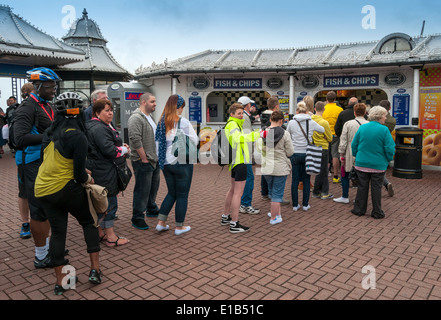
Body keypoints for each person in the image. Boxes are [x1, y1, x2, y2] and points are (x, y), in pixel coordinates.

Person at [34, 92, 102, 295]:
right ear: (81, 112)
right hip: (65, 187)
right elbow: (79, 175)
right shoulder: (78, 135)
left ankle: (62, 281)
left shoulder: (49, 132)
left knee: (58, 232)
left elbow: (48, 161)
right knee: (89, 222)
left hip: (43, 188)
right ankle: (95, 270)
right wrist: (89, 178)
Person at [14, 67, 61, 268]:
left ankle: (48, 247)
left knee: (48, 206)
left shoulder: (47, 106)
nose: (54, 90)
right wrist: (51, 136)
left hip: (45, 162)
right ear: (38, 86)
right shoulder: (27, 107)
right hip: (31, 163)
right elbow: (19, 138)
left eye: (55, 86)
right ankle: (40, 256)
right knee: (39, 209)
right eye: (50, 86)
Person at [86, 99, 130, 247]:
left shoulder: (96, 125)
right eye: (106, 110)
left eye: (111, 110)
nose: (110, 113)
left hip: (98, 169)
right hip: (104, 171)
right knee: (109, 202)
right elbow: (108, 150)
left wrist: (118, 146)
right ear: (97, 112)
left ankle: (100, 232)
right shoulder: (99, 128)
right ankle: (111, 236)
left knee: (99, 202)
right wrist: (123, 150)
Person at [155, 95, 198, 235]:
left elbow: (157, 145)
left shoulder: (161, 122)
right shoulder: (183, 122)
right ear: (177, 106)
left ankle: (161, 222)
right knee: (182, 195)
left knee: (172, 193)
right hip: (181, 163)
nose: (182, 110)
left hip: (166, 163)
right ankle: (179, 227)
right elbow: (195, 140)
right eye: (181, 107)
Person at [351, 106, 396, 219]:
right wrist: (388, 159)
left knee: (362, 187)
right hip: (378, 164)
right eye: (384, 115)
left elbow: (354, 145)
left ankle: (359, 209)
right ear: (380, 116)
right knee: (376, 188)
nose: (385, 118)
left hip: (362, 163)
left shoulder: (363, 128)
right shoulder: (384, 130)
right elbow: (389, 148)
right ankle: (377, 211)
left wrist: (358, 155)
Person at [221, 103, 259, 233]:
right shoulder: (233, 124)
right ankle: (234, 224)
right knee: (238, 193)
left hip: (235, 162)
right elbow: (238, 138)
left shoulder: (233, 124)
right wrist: (257, 135)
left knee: (232, 190)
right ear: (232, 114)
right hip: (240, 162)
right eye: (238, 113)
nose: (241, 115)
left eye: (242, 113)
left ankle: (226, 217)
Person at [128, 93, 161, 230]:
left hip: (153, 159)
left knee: (153, 187)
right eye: (152, 101)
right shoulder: (136, 118)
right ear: (143, 102)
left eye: (155, 101)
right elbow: (135, 139)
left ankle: (151, 208)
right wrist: (144, 159)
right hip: (143, 161)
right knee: (142, 190)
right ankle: (137, 217)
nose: (155, 104)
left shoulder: (149, 117)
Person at [257, 111, 294, 225]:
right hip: (280, 167)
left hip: (267, 166)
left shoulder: (263, 132)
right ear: (281, 121)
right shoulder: (285, 133)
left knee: (272, 191)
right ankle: (274, 217)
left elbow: (260, 149)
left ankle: (276, 213)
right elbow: (290, 152)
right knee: (277, 194)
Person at [287, 101, 325, 212]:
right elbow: (322, 130)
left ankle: (295, 205)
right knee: (306, 179)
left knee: (295, 180)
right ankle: (305, 204)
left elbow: (287, 135)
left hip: (295, 153)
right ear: (307, 111)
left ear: (297, 111)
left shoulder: (291, 122)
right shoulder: (311, 121)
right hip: (307, 153)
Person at [334, 103, 369, 204]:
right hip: (364, 152)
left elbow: (343, 140)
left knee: (345, 174)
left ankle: (345, 196)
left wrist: (341, 153)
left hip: (349, 152)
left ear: (354, 112)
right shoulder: (368, 124)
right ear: (365, 112)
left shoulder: (348, 124)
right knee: (362, 177)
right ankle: (359, 198)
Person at [259, 97, 289, 205]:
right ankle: (274, 196)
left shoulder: (263, 115)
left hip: (265, 147)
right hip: (275, 148)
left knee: (266, 170)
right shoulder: (273, 118)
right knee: (275, 174)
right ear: (276, 106)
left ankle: (265, 193)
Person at [237, 96, 260, 215]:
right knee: (249, 178)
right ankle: (245, 204)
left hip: (240, 152)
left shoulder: (238, 116)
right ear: (247, 105)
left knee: (242, 179)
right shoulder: (245, 117)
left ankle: (243, 203)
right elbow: (246, 136)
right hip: (245, 153)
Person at [311, 101, 333, 199]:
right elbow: (330, 138)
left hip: (313, 146)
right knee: (323, 170)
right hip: (323, 147)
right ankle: (322, 192)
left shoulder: (310, 120)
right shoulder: (324, 123)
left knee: (319, 170)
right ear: (324, 109)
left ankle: (318, 191)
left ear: (314, 109)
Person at [322, 91, 344, 184]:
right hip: (335, 135)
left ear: (326, 99)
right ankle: (335, 176)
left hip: (325, 135)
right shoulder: (339, 109)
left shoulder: (323, 109)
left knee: (325, 155)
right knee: (335, 155)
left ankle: (324, 174)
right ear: (335, 99)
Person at [378, 100, 396, 197]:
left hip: (376, 145)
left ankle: (383, 184)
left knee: (375, 170)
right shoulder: (392, 120)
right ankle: (385, 183)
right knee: (382, 168)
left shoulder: (372, 119)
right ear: (389, 108)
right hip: (385, 145)